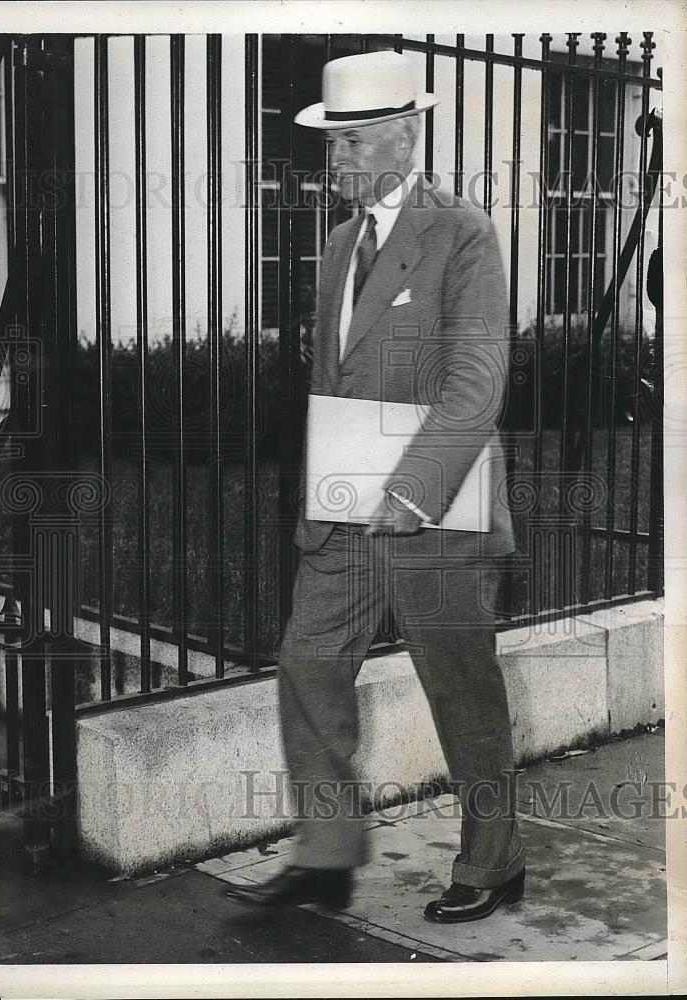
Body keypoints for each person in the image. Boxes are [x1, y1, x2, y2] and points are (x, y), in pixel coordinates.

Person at [225, 49, 525, 923]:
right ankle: (327, 856)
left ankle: (494, 858)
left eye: (357, 143)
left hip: (437, 508)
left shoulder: (464, 231)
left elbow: (477, 384)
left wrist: (414, 490)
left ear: (407, 132)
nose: (340, 164)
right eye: (333, 146)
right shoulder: (335, 247)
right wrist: (332, 499)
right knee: (309, 661)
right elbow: (333, 381)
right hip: (347, 509)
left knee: (461, 687)